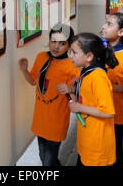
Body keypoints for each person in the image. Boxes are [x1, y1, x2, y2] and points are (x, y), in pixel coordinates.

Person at [18, 23, 79, 166]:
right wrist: (24, 70)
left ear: (70, 45)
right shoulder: (41, 57)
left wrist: (71, 88)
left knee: (49, 160)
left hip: (57, 120)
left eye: (62, 43)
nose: (56, 46)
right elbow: (33, 81)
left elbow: (78, 94)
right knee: (43, 155)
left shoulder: (71, 65)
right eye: (53, 41)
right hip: (40, 118)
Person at [59, 32, 118, 166]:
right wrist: (73, 90)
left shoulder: (98, 77)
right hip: (87, 137)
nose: (70, 56)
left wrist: (79, 107)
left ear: (89, 56)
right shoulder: (87, 71)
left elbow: (108, 112)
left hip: (97, 145)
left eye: (74, 52)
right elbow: (90, 95)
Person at [100, 13, 123, 166]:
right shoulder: (101, 50)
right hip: (99, 108)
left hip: (118, 112)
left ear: (121, 32)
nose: (103, 26)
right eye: (105, 23)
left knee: (115, 147)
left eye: (109, 24)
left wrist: (110, 86)